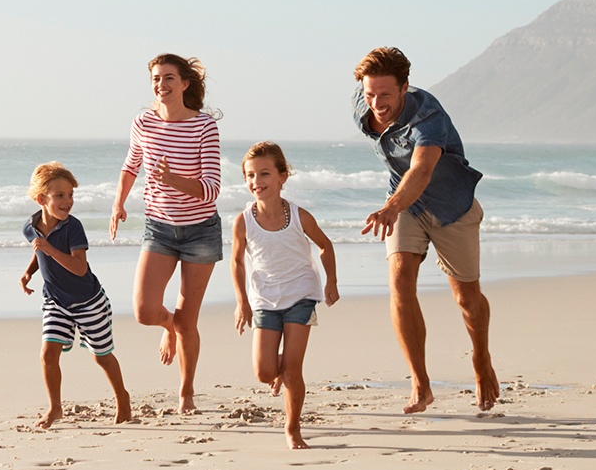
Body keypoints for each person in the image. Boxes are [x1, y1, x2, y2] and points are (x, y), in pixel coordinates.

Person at [352, 47, 497, 414]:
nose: (377, 103)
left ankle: (481, 360)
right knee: (399, 281)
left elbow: (421, 170)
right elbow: (404, 177)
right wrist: (395, 206)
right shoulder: (363, 105)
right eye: (370, 94)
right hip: (406, 205)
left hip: (451, 207)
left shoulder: (428, 116)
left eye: (385, 94)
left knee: (467, 299)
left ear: (405, 88)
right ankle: (420, 382)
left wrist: (388, 208)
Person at [110, 54, 222, 415]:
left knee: (189, 320)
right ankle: (168, 327)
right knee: (144, 310)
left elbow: (211, 189)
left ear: (185, 84)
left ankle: (186, 391)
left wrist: (172, 179)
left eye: (169, 78)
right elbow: (131, 165)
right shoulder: (143, 122)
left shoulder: (204, 126)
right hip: (158, 227)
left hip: (200, 231)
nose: (162, 84)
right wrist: (118, 204)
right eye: (156, 78)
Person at [229, 142, 338, 449]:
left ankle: (293, 429)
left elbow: (325, 245)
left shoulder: (300, 216)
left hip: (301, 294)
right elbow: (236, 261)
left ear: (282, 176)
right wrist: (242, 302)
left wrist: (332, 283)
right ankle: (281, 367)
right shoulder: (243, 221)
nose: (256, 181)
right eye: (250, 175)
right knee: (264, 371)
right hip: (265, 299)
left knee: (292, 371)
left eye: (264, 173)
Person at [21, 162, 133, 428]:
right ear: (41, 199)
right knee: (48, 353)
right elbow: (39, 251)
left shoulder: (73, 227)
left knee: (101, 355)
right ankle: (55, 408)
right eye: (59, 195)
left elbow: (80, 267)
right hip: (56, 302)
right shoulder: (30, 227)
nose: (67, 201)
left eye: (70, 195)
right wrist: (28, 273)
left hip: (88, 301)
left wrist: (49, 250)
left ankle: (123, 397)